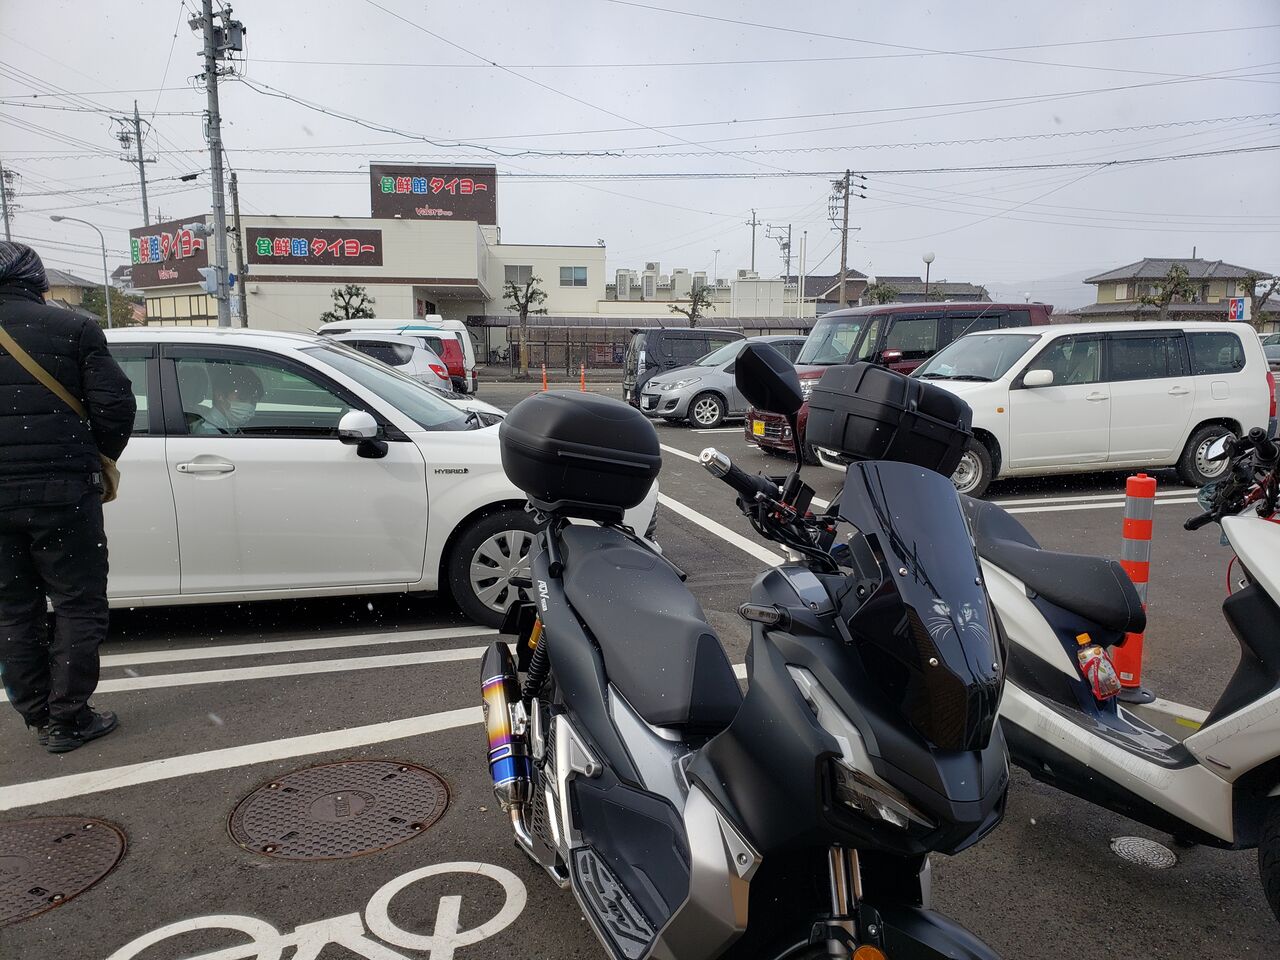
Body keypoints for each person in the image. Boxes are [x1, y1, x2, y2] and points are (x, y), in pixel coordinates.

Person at [0, 242, 135, 754]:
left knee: (13, 608)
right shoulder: (72, 329)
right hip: (62, 490)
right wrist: (94, 455)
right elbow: (116, 405)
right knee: (78, 602)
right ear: (36, 281)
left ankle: (37, 712)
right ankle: (68, 716)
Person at [191, 363, 263, 435]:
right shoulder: (208, 433)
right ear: (220, 396)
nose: (248, 406)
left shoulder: (230, 427)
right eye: (242, 398)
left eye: (253, 401)